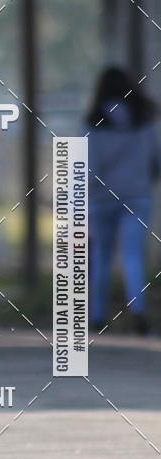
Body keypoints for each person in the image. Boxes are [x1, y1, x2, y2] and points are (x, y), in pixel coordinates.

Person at [85, 67, 160, 335]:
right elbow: (156, 162)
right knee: (132, 257)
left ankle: (96, 317)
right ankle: (138, 313)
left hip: (101, 200)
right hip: (137, 197)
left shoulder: (93, 123)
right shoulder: (144, 122)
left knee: (101, 257)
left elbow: (88, 167)